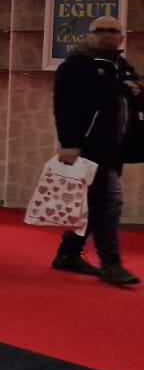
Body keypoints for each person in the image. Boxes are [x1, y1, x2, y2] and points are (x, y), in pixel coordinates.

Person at [52, 15, 140, 285]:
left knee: (92, 204)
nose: (106, 34)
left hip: (115, 147)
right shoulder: (75, 66)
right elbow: (64, 107)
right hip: (89, 147)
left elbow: (132, 100)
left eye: (112, 30)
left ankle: (68, 254)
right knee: (110, 202)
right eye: (99, 30)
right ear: (88, 36)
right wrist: (68, 144)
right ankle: (111, 263)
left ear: (121, 37)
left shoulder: (121, 66)